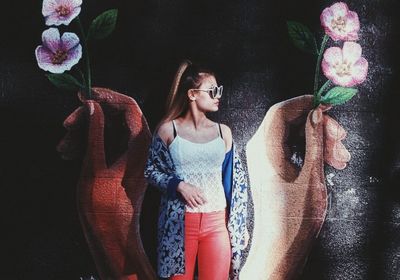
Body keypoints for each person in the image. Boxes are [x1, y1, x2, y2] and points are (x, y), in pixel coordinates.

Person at [144, 59, 250, 280]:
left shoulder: (224, 133)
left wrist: (239, 224)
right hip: (179, 225)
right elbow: (151, 171)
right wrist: (179, 185)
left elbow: (235, 183)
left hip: (217, 223)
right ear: (192, 94)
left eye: (219, 90)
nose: (218, 95)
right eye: (212, 91)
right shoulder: (167, 130)